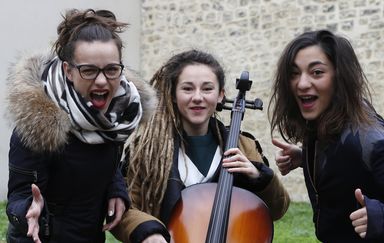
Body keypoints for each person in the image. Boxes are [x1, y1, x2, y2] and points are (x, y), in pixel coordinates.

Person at [5, 9, 156, 242]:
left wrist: (116, 188)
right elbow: (20, 194)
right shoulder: (40, 124)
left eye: (111, 69)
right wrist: (28, 210)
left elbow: (106, 159)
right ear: (68, 71)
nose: (102, 80)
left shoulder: (120, 114)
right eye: (89, 70)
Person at [269, 29, 384, 242]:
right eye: (294, 73)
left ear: (340, 77)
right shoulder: (322, 120)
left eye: (317, 72)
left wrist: (382, 216)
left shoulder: (369, 139)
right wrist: (305, 158)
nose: (302, 83)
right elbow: (346, 160)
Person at [111, 49, 290, 243]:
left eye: (207, 89)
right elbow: (125, 209)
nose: (198, 97)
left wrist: (259, 178)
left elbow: (277, 209)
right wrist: (149, 232)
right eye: (187, 88)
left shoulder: (243, 146)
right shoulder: (146, 149)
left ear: (221, 95)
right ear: (173, 94)